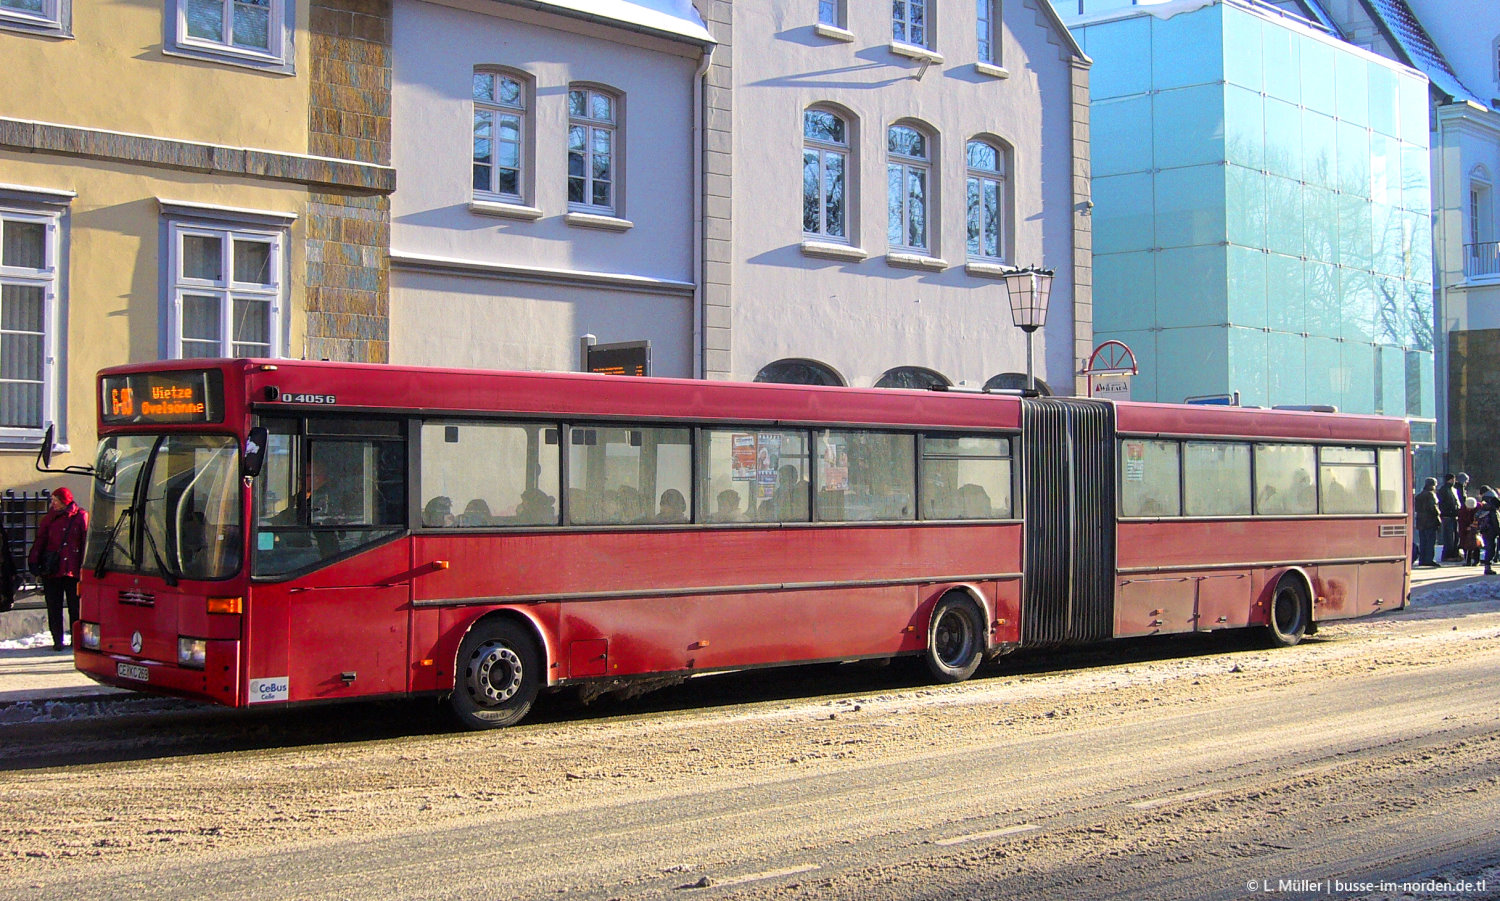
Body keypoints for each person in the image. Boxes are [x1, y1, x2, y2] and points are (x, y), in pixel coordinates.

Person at [29, 487, 88, 651]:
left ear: (64, 501)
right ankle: (57, 640)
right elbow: (40, 540)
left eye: (56, 500)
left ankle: (76, 640)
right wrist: (34, 561)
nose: (52, 503)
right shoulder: (50, 518)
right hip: (52, 570)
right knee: (53, 606)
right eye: (52, 500)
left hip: (73, 571)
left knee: (75, 607)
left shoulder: (80, 517)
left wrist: (85, 566)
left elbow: (85, 543)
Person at [1412, 477, 1440, 568]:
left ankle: (1422, 559)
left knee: (1423, 541)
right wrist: (1438, 515)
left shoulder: (1419, 496)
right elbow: (1433, 509)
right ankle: (1429, 559)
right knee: (1430, 541)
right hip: (1430, 521)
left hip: (1420, 521)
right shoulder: (1431, 495)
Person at [1438, 473, 1461, 562]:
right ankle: (1448, 555)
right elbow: (1445, 503)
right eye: (1453, 479)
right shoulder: (1444, 490)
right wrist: (1451, 511)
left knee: (1455, 536)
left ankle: (1454, 553)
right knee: (1449, 537)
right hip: (1448, 515)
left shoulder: (1452, 489)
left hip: (1453, 515)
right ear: (1450, 479)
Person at [1458, 496, 1481, 567]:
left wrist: (1476, 526)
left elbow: (1480, 518)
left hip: (1476, 529)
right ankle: (1467, 560)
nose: (1470, 510)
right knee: (1466, 544)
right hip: (1465, 530)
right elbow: (1461, 521)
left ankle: (1476, 560)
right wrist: (1466, 528)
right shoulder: (1462, 510)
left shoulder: (1479, 508)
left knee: (1476, 545)